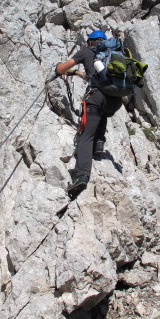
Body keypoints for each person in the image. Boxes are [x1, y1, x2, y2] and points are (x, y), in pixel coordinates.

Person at [55, 30, 123, 198]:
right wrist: (77, 73)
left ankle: (82, 176)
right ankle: (99, 144)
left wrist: (59, 68)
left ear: (92, 42)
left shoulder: (86, 52)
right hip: (115, 100)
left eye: (88, 42)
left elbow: (62, 68)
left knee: (85, 137)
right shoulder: (111, 55)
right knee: (102, 112)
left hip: (96, 98)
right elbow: (95, 76)